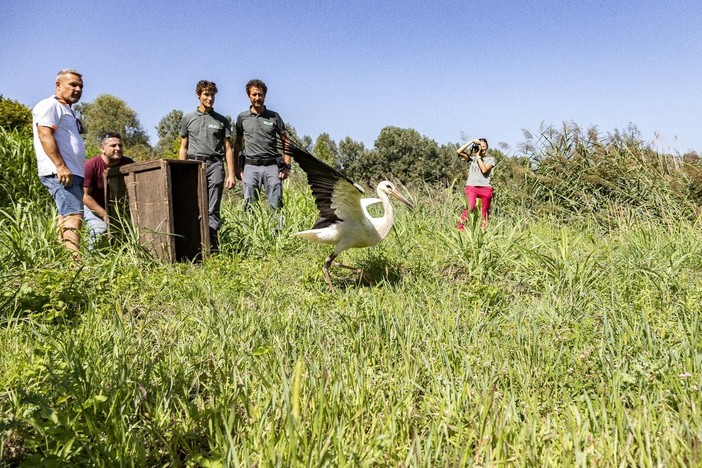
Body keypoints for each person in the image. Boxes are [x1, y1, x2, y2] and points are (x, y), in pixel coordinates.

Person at [32, 69, 86, 255]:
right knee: (74, 216)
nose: (78, 89)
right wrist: (61, 166)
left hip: (72, 172)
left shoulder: (66, 109)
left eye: (80, 86)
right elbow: (44, 134)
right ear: (58, 85)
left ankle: (60, 258)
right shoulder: (49, 105)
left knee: (67, 216)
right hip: (61, 172)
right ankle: (75, 264)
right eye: (73, 84)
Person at [179, 80, 236, 251]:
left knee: (213, 207)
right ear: (198, 95)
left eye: (212, 95)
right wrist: (180, 171)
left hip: (215, 164)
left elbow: (228, 148)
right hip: (194, 164)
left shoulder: (221, 120)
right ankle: (192, 244)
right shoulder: (188, 118)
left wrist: (231, 173)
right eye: (206, 94)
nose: (210, 98)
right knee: (193, 204)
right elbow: (183, 146)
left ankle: (212, 246)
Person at [232, 79, 292, 224]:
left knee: (276, 204)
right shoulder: (242, 117)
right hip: (250, 167)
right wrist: (237, 168)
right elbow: (238, 144)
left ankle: (278, 239)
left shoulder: (274, 117)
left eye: (260, 94)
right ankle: (251, 237)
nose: (257, 98)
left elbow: (287, 141)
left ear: (265, 96)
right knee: (249, 205)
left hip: (272, 167)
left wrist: (287, 166)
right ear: (249, 96)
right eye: (254, 95)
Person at [83, 133, 135, 249]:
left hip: (118, 206)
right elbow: (85, 196)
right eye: (113, 146)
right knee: (100, 229)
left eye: (120, 146)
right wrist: (104, 215)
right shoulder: (91, 166)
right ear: (102, 149)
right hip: (94, 205)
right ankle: (92, 261)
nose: (118, 149)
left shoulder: (129, 163)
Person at [456, 138, 495, 230]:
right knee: (470, 206)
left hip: (485, 188)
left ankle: (483, 234)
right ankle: (460, 229)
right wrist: (472, 141)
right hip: (472, 186)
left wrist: (478, 157)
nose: (482, 148)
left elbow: (484, 170)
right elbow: (459, 151)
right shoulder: (472, 159)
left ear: (487, 148)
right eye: (480, 146)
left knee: (484, 213)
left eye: (484, 147)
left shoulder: (490, 159)